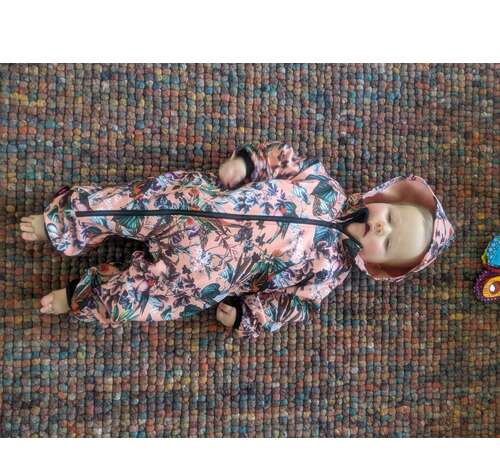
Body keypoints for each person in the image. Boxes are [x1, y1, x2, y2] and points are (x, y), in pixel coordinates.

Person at [19, 141, 455, 338]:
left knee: (139, 299)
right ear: (382, 197)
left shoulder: (328, 273)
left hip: (201, 277)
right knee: (125, 205)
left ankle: (81, 297)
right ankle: (62, 222)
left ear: (379, 265)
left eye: (388, 242)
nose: (381, 228)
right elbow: (283, 161)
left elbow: (289, 306)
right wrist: (249, 165)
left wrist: (248, 315)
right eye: (389, 218)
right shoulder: (323, 185)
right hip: (193, 206)